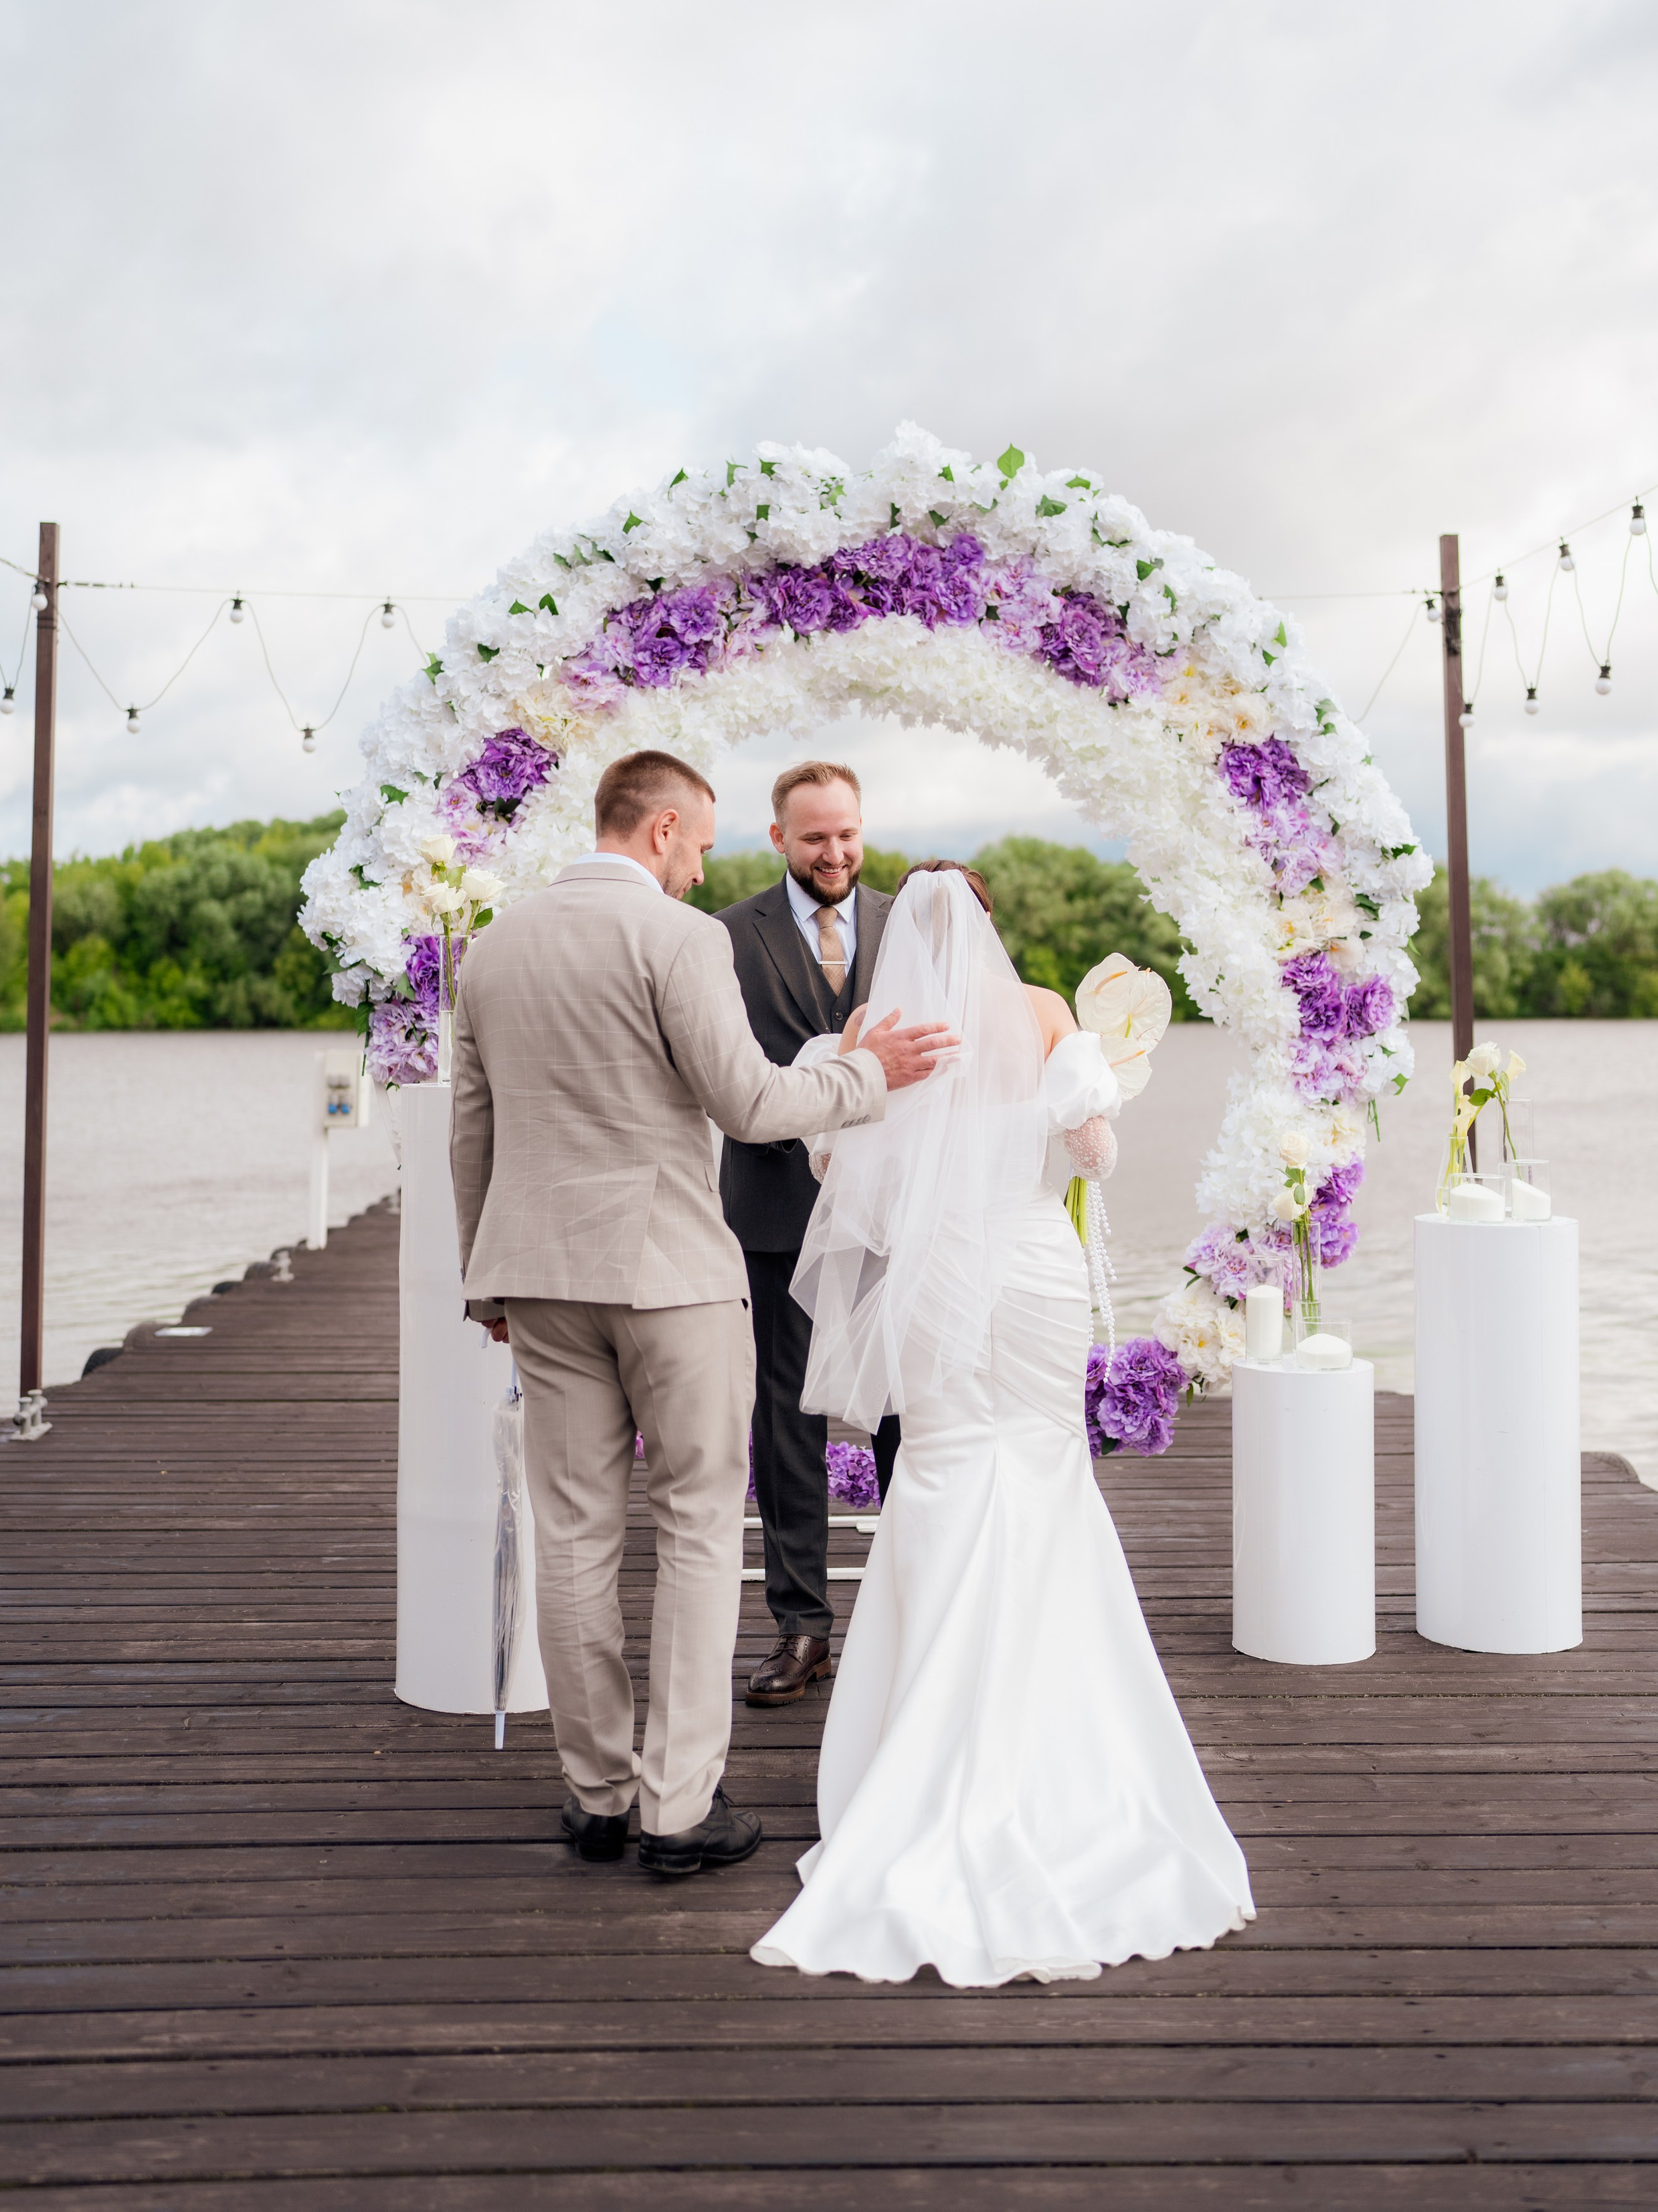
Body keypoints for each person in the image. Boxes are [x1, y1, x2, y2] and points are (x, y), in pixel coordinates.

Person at [449, 749, 955, 1879]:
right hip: (670, 1277)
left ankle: (596, 1796)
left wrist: (485, 1282)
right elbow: (751, 1102)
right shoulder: (680, 939)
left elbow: (470, 1126)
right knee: (694, 1526)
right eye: (703, 847)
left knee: (573, 1534)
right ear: (664, 829)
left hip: (537, 1277)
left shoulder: (495, 944)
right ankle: (678, 1807)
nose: (701, 872)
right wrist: (872, 1074)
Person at [750, 861, 1255, 1983]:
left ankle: (917, 1737)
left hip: (936, 1276)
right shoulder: (1041, 1012)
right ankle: (1055, 1735)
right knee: (1045, 1469)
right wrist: (1097, 1086)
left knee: (935, 1469)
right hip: (1031, 1267)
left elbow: (833, 1167)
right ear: (989, 926)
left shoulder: (872, 1031)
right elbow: (1095, 1155)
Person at [719, 760, 901, 1709]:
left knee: (902, 1406)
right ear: (779, 838)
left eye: (847, 834)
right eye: (815, 837)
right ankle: (802, 1628)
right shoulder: (724, 936)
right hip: (774, 1204)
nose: (835, 853)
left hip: (891, 1210)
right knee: (786, 1415)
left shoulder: (910, 925)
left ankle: (916, 1613)